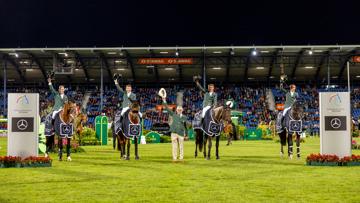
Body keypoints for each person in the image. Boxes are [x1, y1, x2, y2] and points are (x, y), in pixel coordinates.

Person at [161, 94, 188, 161]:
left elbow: (185, 126)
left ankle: (181, 158)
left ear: (182, 110)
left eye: (180, 109)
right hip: (174, 133)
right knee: (174, 146)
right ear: (176, 110)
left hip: (181, 133)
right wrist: (164, 100)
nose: (179, 110)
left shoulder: (184, 117)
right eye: (178, 109)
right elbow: (167, 108)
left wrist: (186, 135)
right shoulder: (173, 115)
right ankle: (174, 158)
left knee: (181, 147)